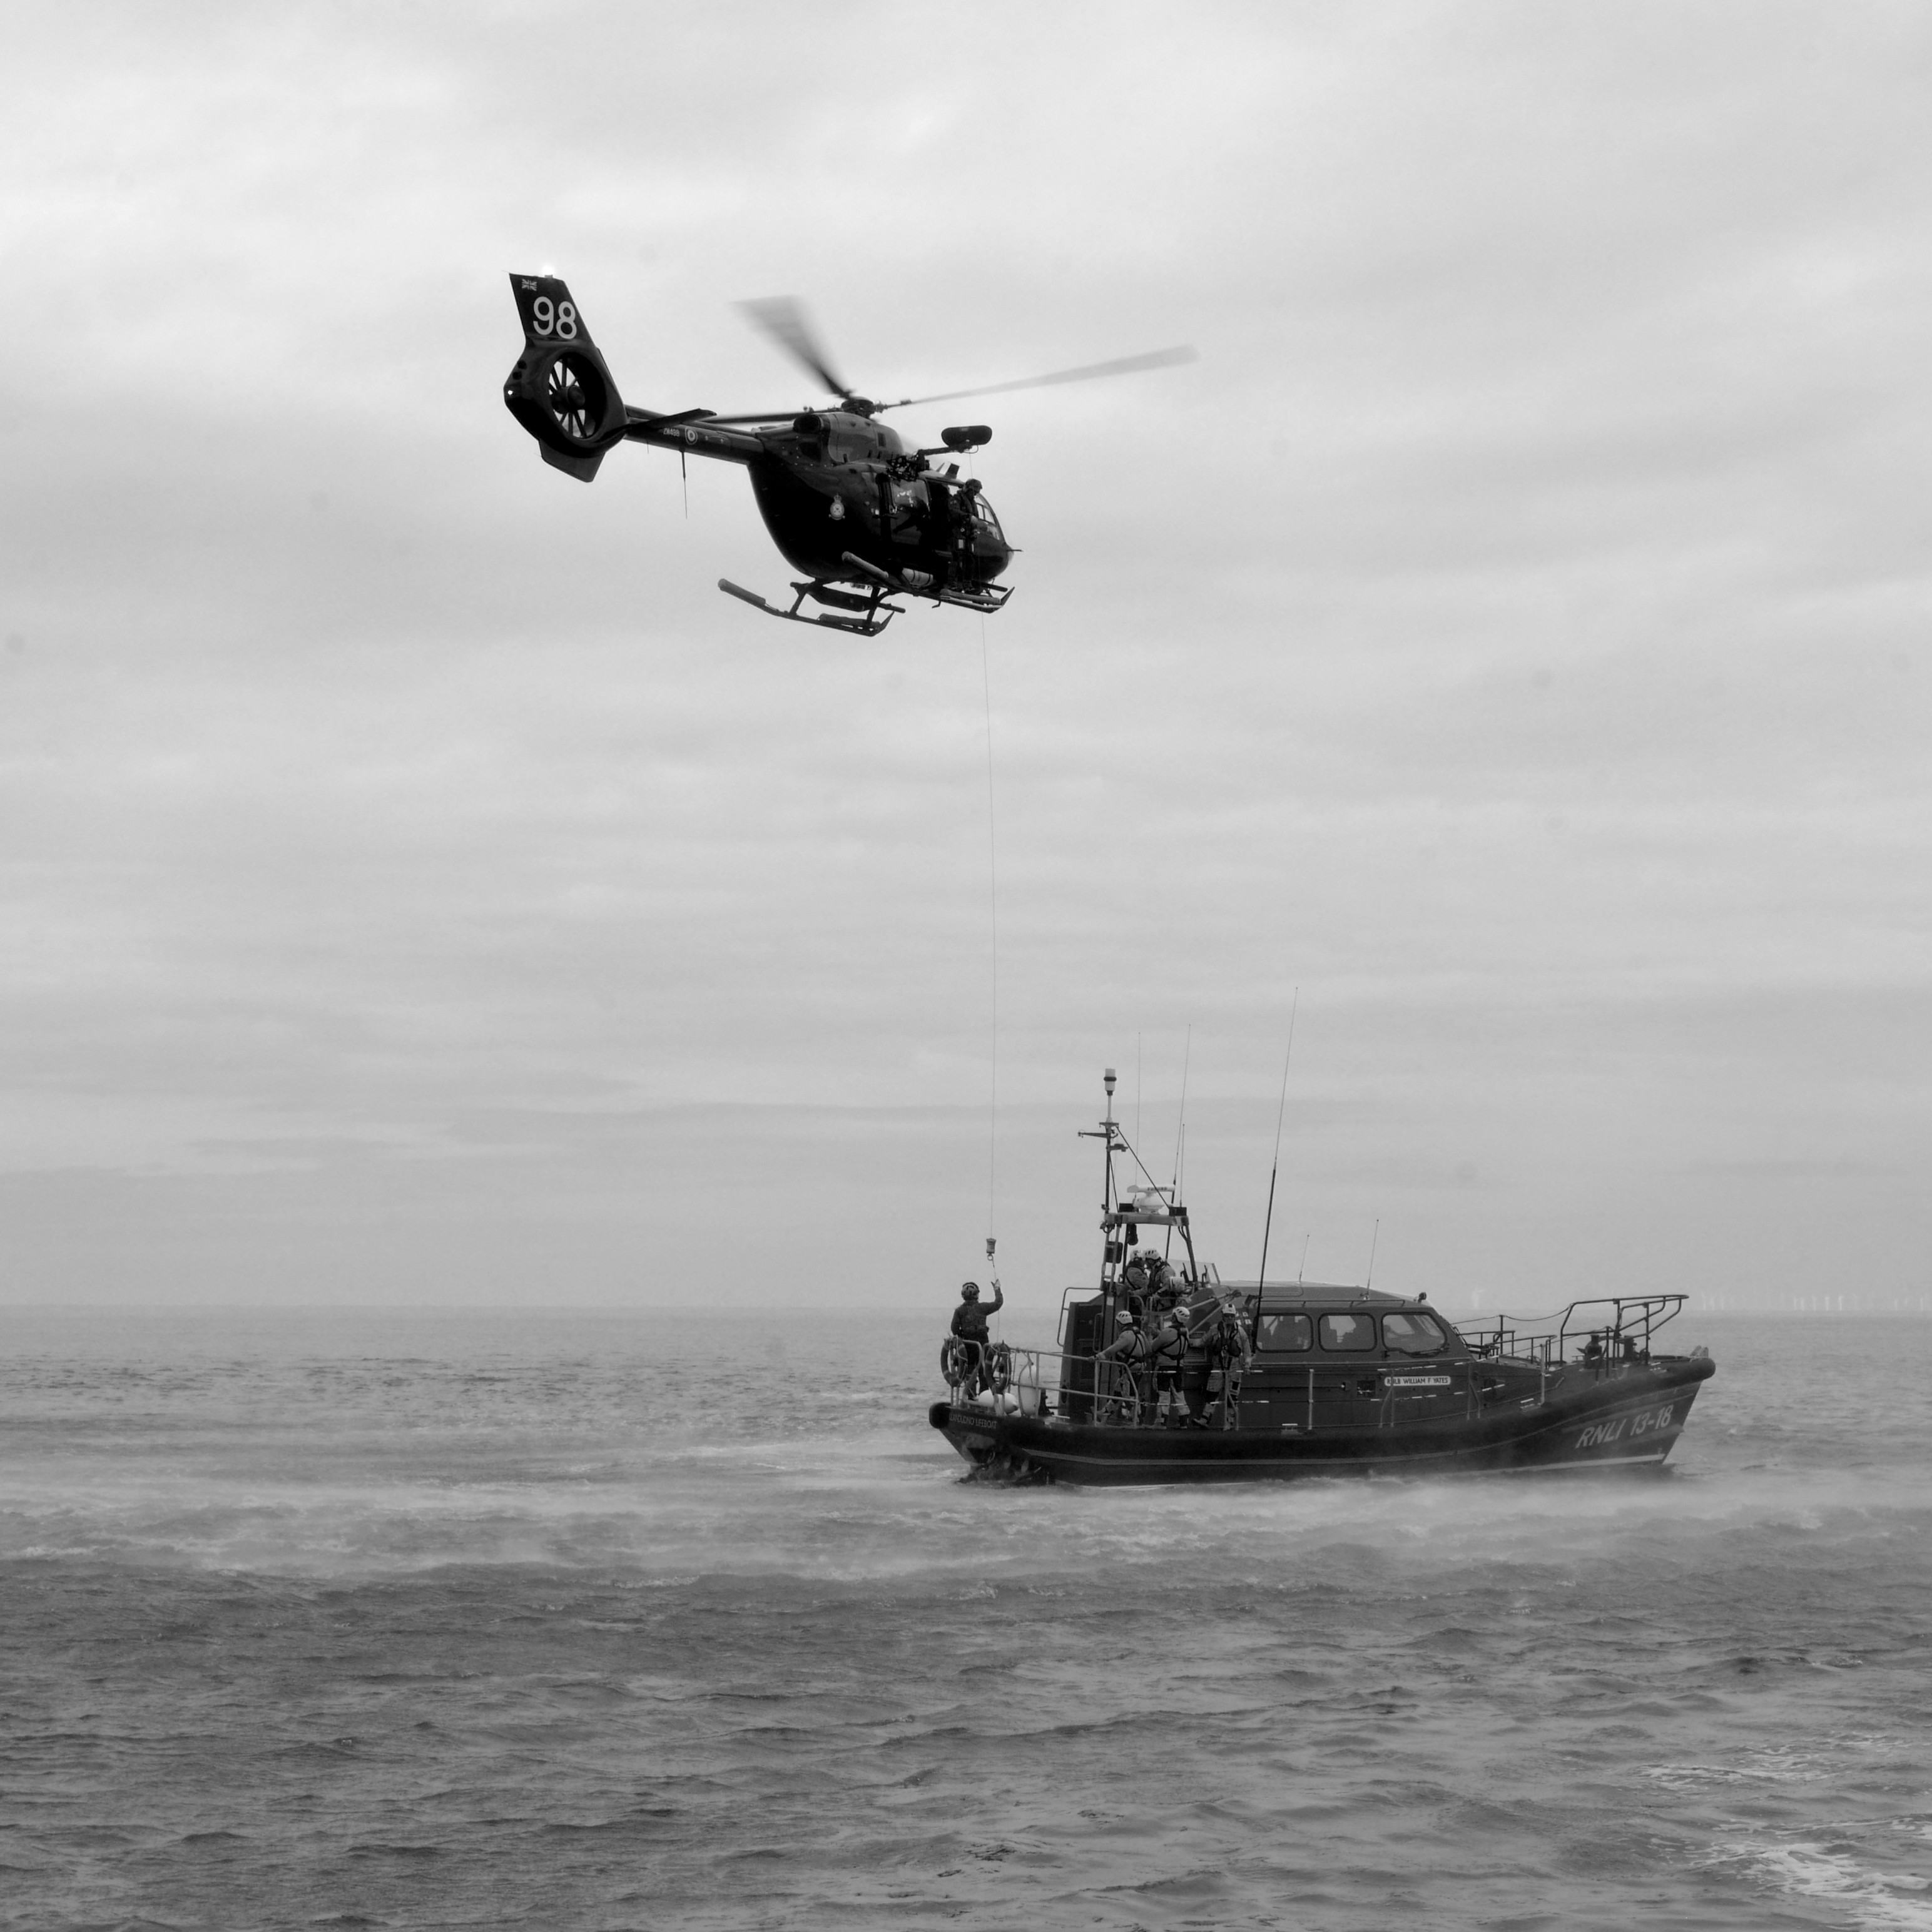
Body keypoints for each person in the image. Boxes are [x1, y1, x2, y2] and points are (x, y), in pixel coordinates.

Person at [951, 1278, 1004, 1397]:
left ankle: (971, 1397)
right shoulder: (982, 1308)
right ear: (977, 1294)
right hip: (983, 1346)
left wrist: (962, 1336)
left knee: (970, 1372)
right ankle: (984, 1396)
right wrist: (997, 1289)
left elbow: (954, 1329)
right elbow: (998, 1303)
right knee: (984, 1372)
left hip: (968, 1348)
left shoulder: (959, 1311)